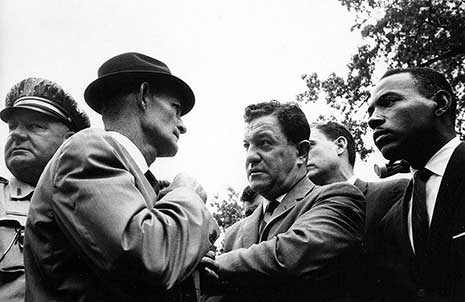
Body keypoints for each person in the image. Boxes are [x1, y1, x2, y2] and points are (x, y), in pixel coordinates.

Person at [24, 52, 219, 301]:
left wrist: (189, 262)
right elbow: (151, 259)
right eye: (176, 108)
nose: (182, 125)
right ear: (144, 96)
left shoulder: (139, 181)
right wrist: (187, 195)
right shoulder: (88, 150)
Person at [202, 101, 365, 301]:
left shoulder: (338, 198)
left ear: (301, 152)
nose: (251, 156)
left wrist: (215, 264)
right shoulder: (235, 232)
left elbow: (292, 254)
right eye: (247, 146)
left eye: (265, 143)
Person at [367, 67, 465, 301]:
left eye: (388, 102)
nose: (373, 120)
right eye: (370, 112)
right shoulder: (389, 220)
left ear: (440, 103)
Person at [0, 77, 90, 301]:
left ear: (69, 142)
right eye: (13, 126)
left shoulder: (93, 204)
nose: (16, 134)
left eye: (34, 126)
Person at [306, 120, 409, 298]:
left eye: (310, 146)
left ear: (339, 145)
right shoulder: (303, 216)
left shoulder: (394, 193)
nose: (302, 155)